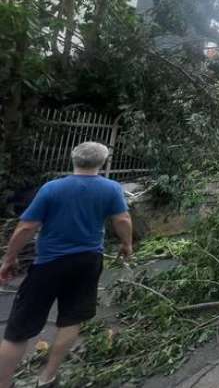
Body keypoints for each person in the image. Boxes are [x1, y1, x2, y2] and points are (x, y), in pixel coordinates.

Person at [0, 142, 133, 388]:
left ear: (73, 159)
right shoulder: (112, 189)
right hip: (88, 261)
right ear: (102, 162)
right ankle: (47, 377)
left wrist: (9, 258)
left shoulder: (52, 189)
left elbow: (27, 227)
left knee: (19, 327)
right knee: (71, 319)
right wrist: (127, 245)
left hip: (49, 263)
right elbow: (122, 219)